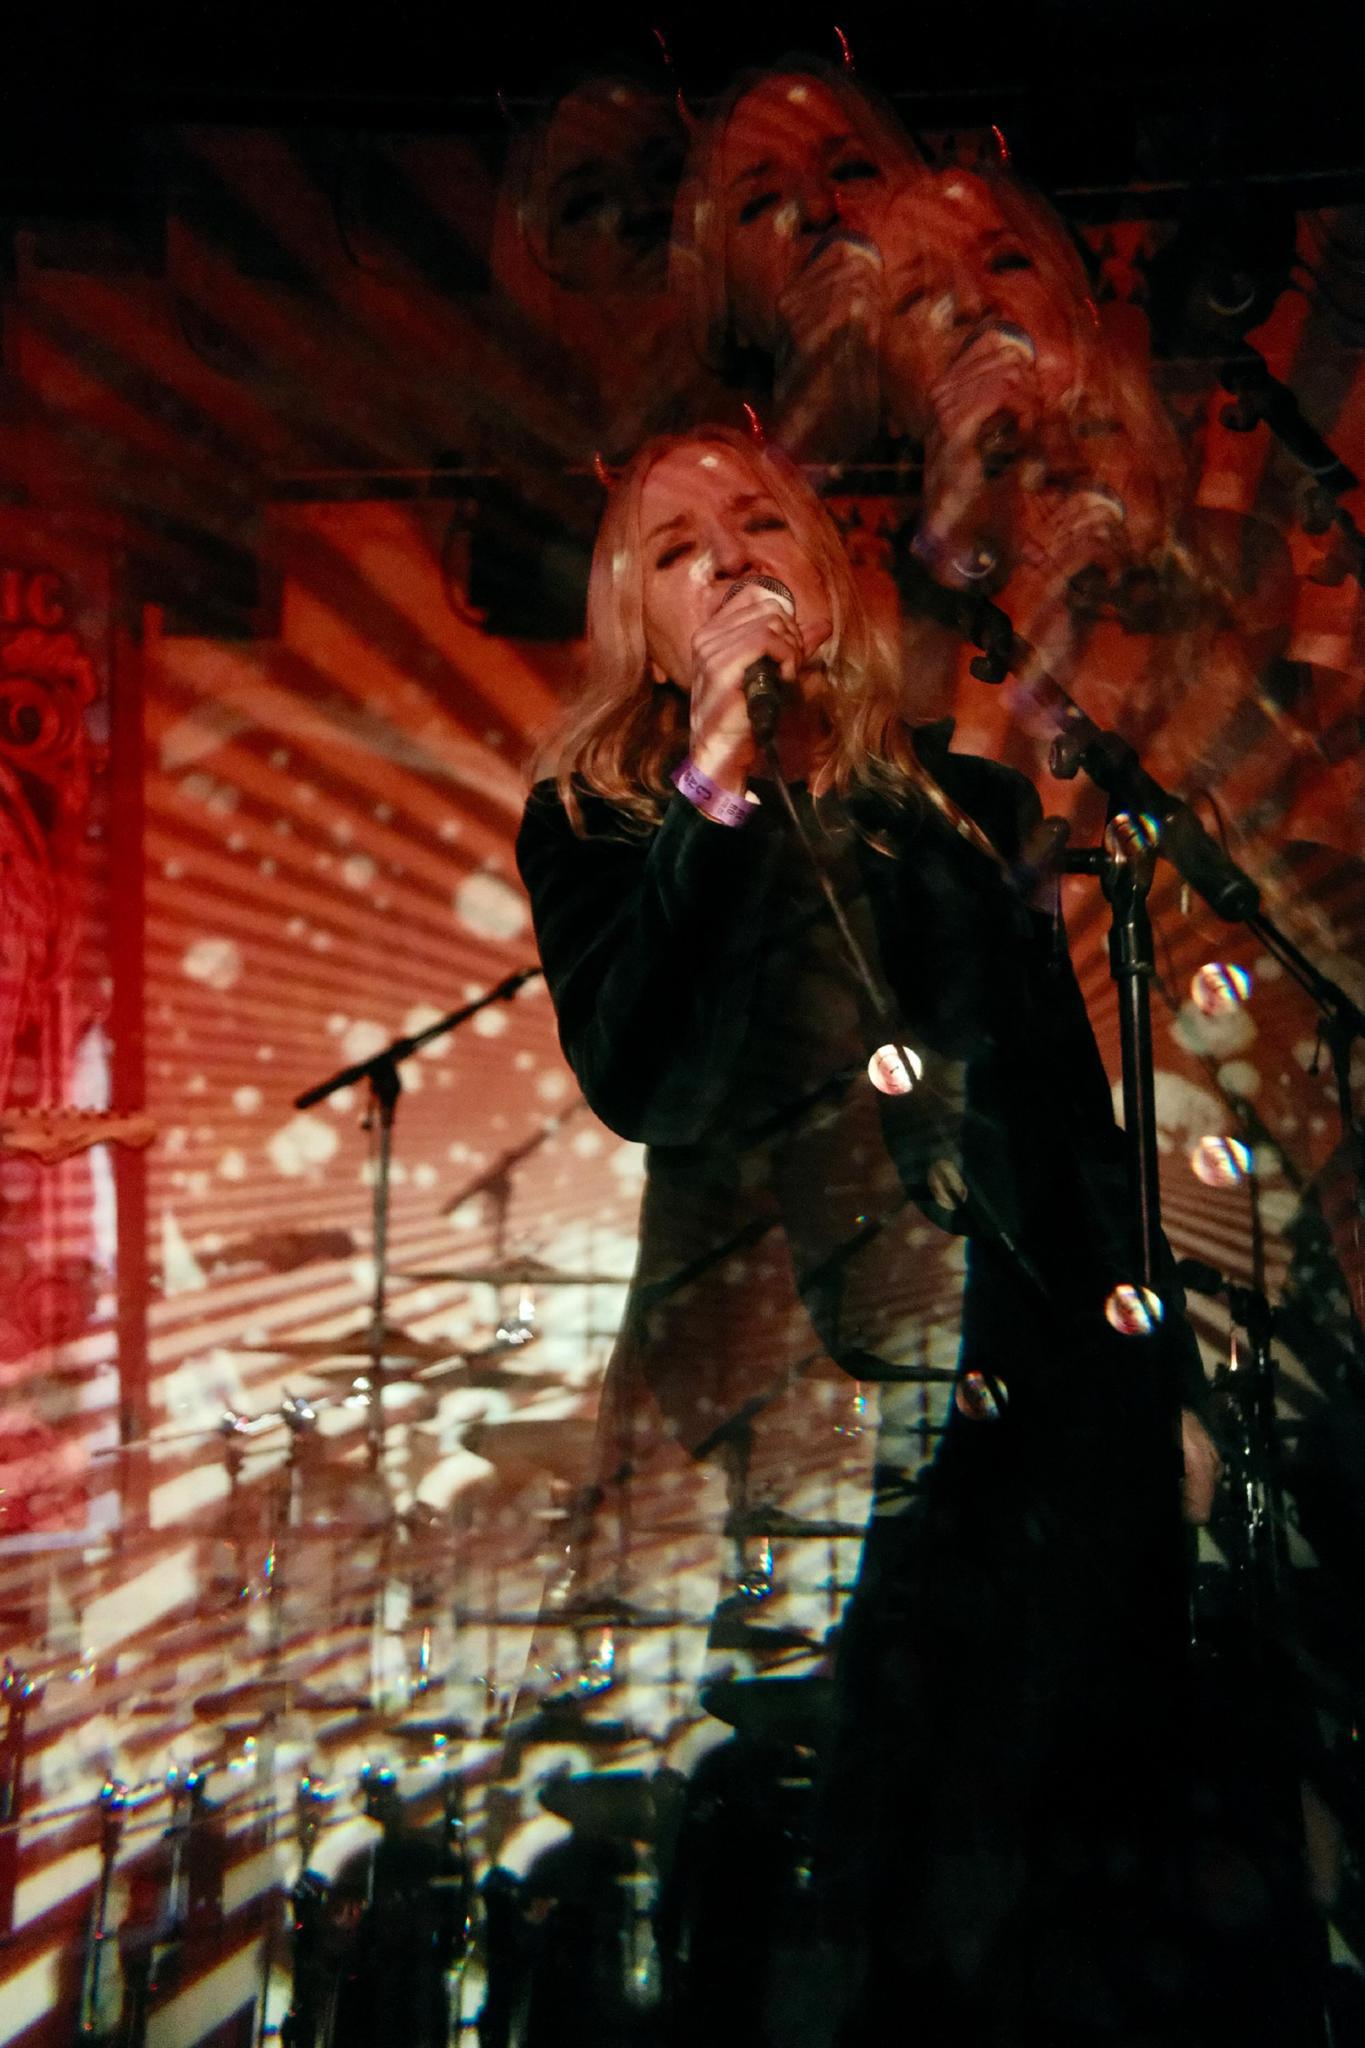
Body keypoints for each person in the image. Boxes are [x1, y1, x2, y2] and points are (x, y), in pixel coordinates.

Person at [515, 424, 1227, 2044]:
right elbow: (650, 1079)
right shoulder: (597, 824)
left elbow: (1063, 1120)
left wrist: (1159, 1383)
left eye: (760, 522)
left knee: (1053, 1877)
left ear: (824, 576)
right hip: (790, 1417)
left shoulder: (964, 807)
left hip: (1031, 1382)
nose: (731, 557)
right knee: (847, 1896)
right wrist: (715, 781)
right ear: (642, 623)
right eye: (678, 547)